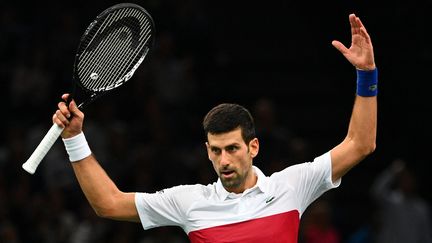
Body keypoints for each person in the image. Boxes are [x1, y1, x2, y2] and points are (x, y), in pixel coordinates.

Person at [52, 13, 377, 242]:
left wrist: (366, 75)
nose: (224, 160)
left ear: (253, 147)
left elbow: (360, 144)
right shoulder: (189, 201)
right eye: (216, 150)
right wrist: (74, 138)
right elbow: (108, 203)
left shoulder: (291, 186)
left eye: (233, 148)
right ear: (207, 151)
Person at [370, 158, 432, 243]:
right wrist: (392, 172)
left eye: (409, 179)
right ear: (400, 181)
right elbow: (376, 191)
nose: (407, 182)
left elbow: (426, 234)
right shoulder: (392, 201)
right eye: (404, 179)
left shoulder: (421, 207)